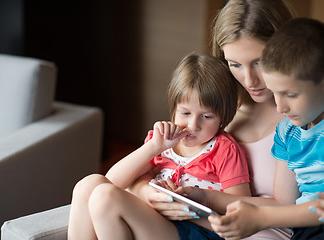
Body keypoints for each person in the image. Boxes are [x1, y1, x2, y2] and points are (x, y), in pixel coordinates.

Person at [129, 0, 294, 239]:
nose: (249, 80)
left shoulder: (300, 116)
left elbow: (288, 209)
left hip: (260, 231)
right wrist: (147, 192)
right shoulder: (212, 107)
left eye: (259, 62)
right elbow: (156, 164)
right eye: (235, 64)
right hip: (196, 224)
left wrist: (206, 198)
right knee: (96, 191)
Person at [67, 53, 251, 240]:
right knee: (88, 185)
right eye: (185, 113)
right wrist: (154, 146)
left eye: (207, 116)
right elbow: (112, 180)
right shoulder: (163, 141)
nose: (193, 125)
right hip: (156, 219)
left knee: (106, 197)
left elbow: (241, 209)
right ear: (173, 109)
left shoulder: (225, 150)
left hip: (198, 230)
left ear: (222, 118)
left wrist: (189, 208)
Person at [209, 17, 324, 240]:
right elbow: (291, 204)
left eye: (290, 94)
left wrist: (261, 218)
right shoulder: (287, 132)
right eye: (275, 92)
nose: (280, 107)